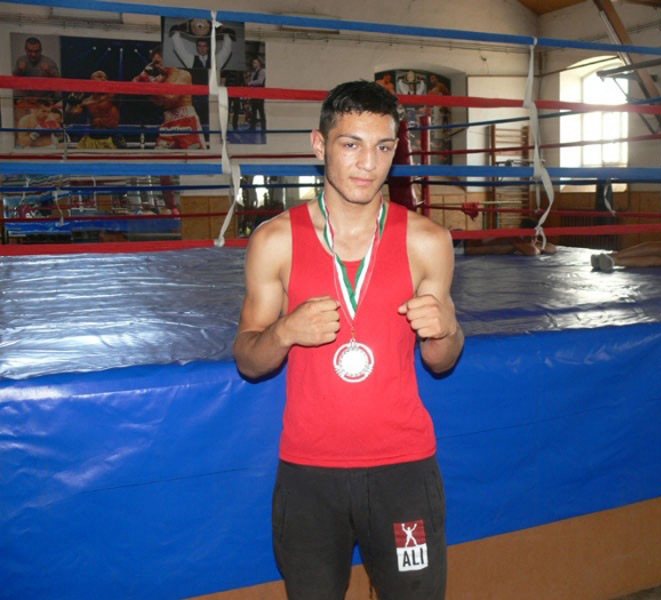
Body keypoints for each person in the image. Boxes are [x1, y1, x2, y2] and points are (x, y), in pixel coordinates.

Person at [233, 80, 464, 599]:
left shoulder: (428, 240)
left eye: (383, 147)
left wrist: (447, 328)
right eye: (351, 144)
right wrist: (284, 331)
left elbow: (441, 361)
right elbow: (248, 358)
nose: (367, 163)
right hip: (310, 473)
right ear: (320, 145)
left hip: (403, 470)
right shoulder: (275, 241)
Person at [133, 46, 206, 150]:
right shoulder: (160, 79)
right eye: (153, 64)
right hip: (168, 122)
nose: (155, 66)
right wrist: (143, 77)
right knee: (160, 154)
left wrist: (151, 85)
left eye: (157, 62)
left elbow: (172, 97)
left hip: (186, 122)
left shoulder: (183, 75)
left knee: (193, 156)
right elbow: (158, 102)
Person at [66, 70, 126, 150]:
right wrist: (72, 100)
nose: (104, 79)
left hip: (111, 137)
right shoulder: (87, 101)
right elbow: (71, 115)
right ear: (91, 82)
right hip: (93, 137)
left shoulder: (113, 96)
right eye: (99, 76)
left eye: (105, 78)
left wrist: (140, 77)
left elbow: (128, 88)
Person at [247, 57, 266, 134]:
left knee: (261, 111)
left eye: (255, 62)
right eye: (253, 63)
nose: (253, 64)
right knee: (253, 111)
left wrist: (251, 83)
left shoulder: (262, 71)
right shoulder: (253, 72)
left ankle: (263, 128)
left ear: (259, 63)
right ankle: (253, 127)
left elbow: (260, 81)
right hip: (254, 94)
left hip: (260, 94)